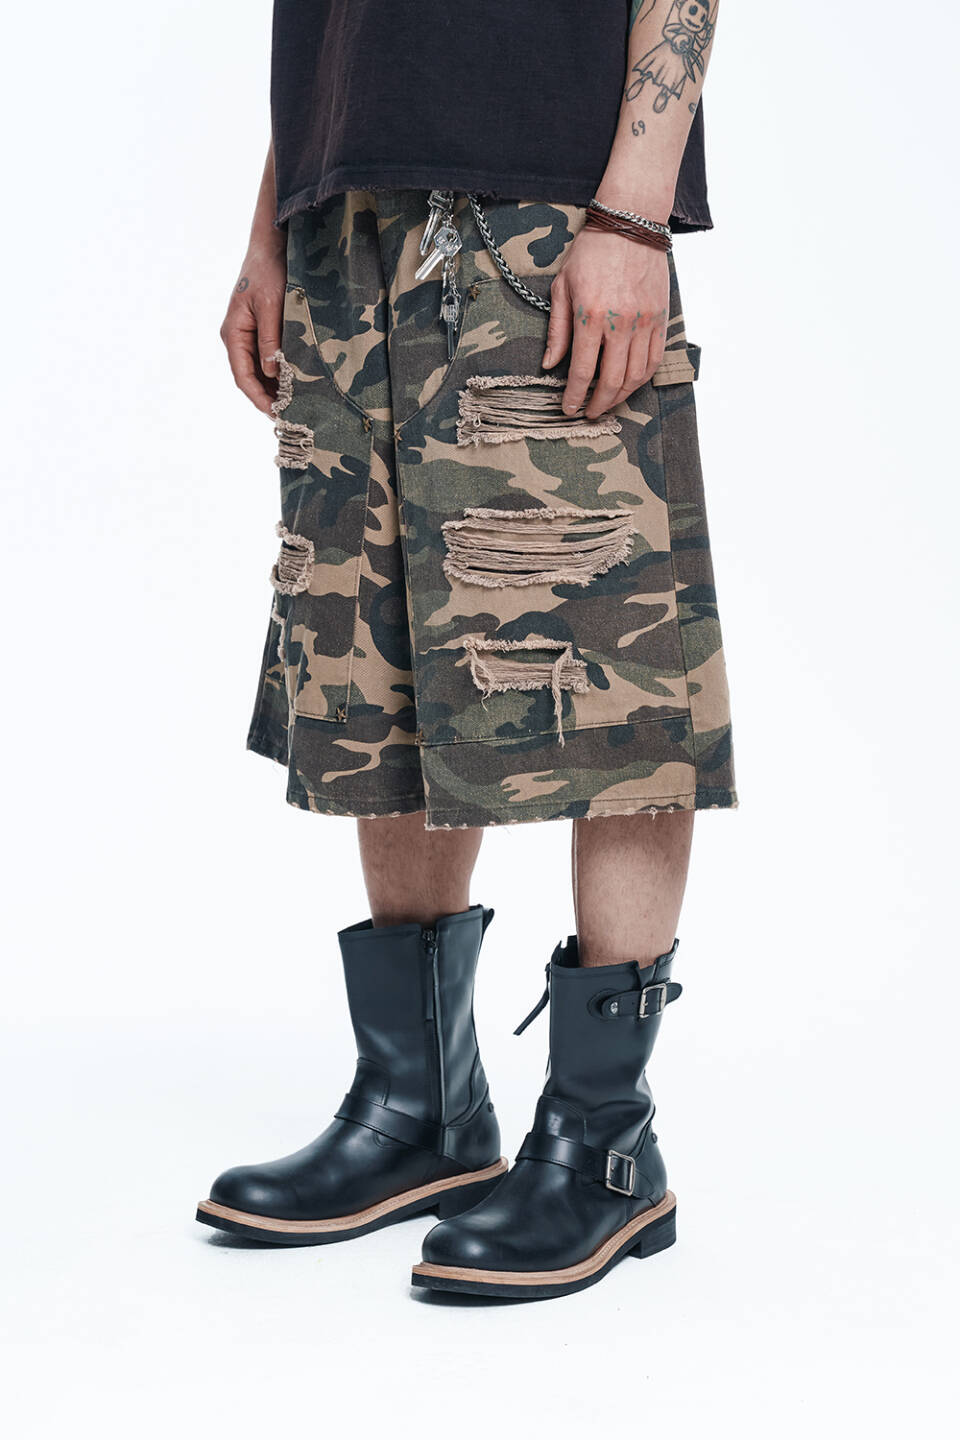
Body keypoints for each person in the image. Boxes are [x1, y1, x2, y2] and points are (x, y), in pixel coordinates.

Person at [196, 0, 736, 1301]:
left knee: (603, 671)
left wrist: (631, 215)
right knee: (374, 669)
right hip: (342, 218)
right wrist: (273, 224)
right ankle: (418, 1114)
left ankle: (604, 1147)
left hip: (545, 213)